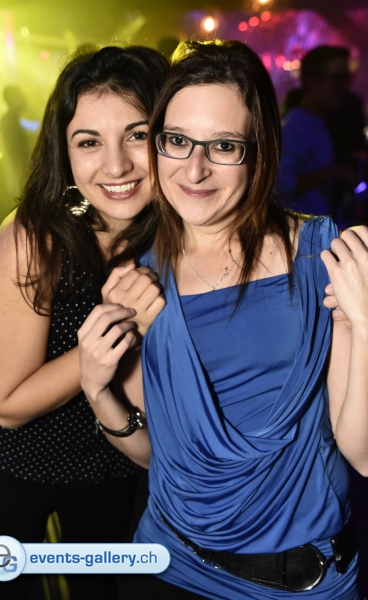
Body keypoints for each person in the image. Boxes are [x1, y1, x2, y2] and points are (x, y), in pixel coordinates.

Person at [79, 40, 367, 599]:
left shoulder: (322, 256)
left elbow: (362, 452)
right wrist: (97, 390)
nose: (195, 168)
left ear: (260, 150)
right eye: (177, 141)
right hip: (168, 569)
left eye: (224, 146)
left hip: (301, 583)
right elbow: (159, 457)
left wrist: (365, 322)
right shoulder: (139, 278)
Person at [0, 45, 168, 600]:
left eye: (136, 135)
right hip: (9, 464)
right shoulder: (37, 237)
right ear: (66, 151)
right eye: (89, 142)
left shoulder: (177, 241)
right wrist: (118, 329)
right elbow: (6, 405)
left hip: (113, 466)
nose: (116, 166)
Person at [276, 46, 359, 217]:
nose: (345, 86)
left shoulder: (323, 122)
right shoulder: (293, 128)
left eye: (347, 77)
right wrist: (333, 172)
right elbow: (282, 185)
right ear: (312, 81)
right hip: (301, 228)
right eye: (338, 78)